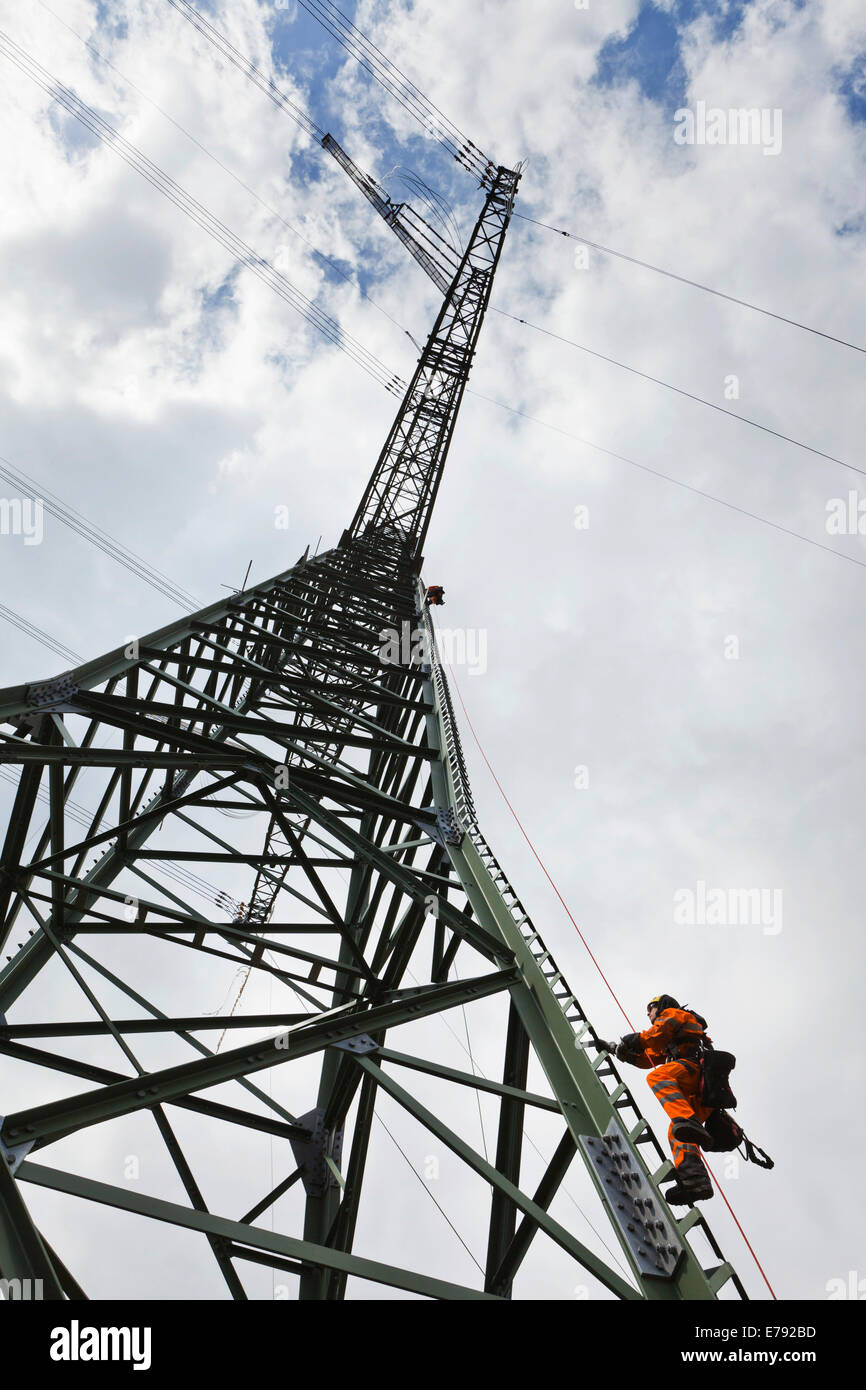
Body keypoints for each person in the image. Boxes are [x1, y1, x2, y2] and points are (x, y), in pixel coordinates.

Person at [600, 994, 714, 1205]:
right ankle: (695, 1181)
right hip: (702, 1090)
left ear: (660, 1006)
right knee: (676, 1131)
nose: (648, 1015)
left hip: (694, 1071)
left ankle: (688, 1121)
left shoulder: (674, 1015)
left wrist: (632, 1039)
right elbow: (649, 1057)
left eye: (650, 1010)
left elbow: (655, 1035)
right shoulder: (673, 1036)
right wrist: (621, 1051)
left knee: (659, 1077)